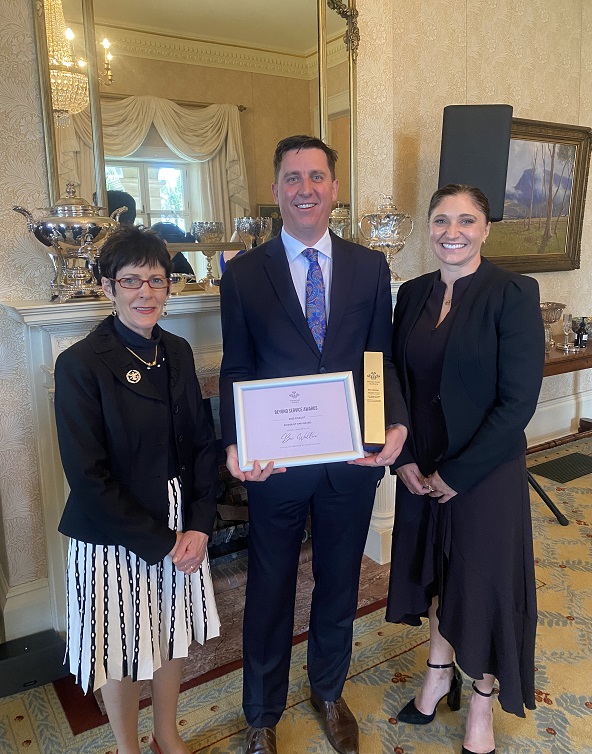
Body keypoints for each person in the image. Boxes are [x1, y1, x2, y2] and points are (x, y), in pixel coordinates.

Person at [219, 135, 408, 754]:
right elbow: (237, 368)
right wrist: (236, 443)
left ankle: (329, 689)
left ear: (333, 189)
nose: (305, 189)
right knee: (269, 587)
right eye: (293, 178)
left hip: (350, 460)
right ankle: (261, 715)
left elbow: (378, 361)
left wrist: (388, 431)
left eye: (317, 177)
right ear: (276, 192)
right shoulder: (244, 273)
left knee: (339, 581)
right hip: (277, 463)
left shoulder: (369, 267)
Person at [386, 184, 545, 754]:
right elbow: (391, 379)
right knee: (434, 572)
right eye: (440, 219)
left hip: (485, 471)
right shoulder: (410, 294)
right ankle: (437, 672)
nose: (451, 231)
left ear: (485, 228)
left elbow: (518, 402)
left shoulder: (513, 293)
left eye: (466, 220)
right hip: (419, 466)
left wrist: (459, 473)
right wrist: (402, 456)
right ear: (428, 226)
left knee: (481, 583)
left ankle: (481, 699)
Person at [54, 226, 220, 754]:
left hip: (179, 520)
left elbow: (201, 442)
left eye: (157, 280)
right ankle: (128, 746)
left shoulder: (176, 349)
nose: (145, 292)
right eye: (131, 280)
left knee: (172, 632)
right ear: (108, 287)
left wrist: (198, 523)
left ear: (169, 288)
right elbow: (87, 477)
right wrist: (163, 541)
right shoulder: (80, 364)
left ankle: (166, 733)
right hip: (113, 531)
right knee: (120, 646)